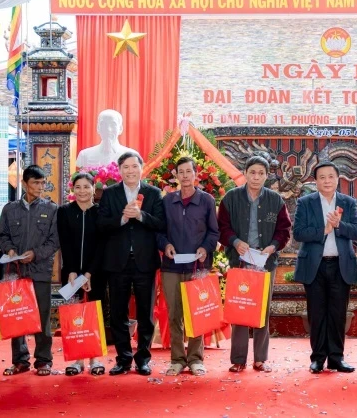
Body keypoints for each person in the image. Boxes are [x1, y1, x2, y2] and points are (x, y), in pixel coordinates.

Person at [218, 156, 292, 373]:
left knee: (262, 310)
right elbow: (222, 226)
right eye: (253, 172)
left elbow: (284, 230)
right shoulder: (231, 198)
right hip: (239, 261)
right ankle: (238, 359)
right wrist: (235, 241)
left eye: (261, 173)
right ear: (246, 173)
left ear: (266, 175)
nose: (256, 177)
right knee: (239, 309)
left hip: (265, 263)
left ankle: (260, 359)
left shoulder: (275, 200)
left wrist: (272, 246)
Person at [97, 151, 166, 376]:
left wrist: (141, 216)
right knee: (118, 313)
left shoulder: (154, 193)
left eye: (134, 166)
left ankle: (143, 359)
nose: (130, 171)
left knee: (146, 314)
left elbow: (161, 224)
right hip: (117, 263)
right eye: (125, 167)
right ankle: (123, 359)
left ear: (141, 168)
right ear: (119, 170)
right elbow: (101, 225)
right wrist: (122, 219)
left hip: (144, 262)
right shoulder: (109, 194)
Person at [293, 161, 357, 374]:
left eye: (330, 176)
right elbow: (298, 233)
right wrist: (323, 230)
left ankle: (336, 358)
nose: (326, 181)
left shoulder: (348, 203)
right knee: (317, 313)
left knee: (338, 313)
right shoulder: (305, 203)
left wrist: (339, 226)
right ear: (315, 181)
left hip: (340, 265)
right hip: (315, 265)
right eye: (322, 177)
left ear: (337, 178)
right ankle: (317, 358)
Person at [0, 165, 60, 376]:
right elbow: (1, 236)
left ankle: (43, 360)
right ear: (24, 183)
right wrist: (10, 249)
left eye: (43, 183)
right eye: (35, 183)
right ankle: (20, 360)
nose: (40, 187)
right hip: (15, 271)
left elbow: (54, 241)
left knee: (42, 317)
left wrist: (36, 253)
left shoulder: (51, 209)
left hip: (40, 269)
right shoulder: (10, 209)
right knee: (17, 315)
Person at [157, 157, 219, 377]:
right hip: (172, 266)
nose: (184, 176)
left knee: (196, 313)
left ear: (196, 174)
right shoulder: (167, 201)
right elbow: (159, 231)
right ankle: (177, 359)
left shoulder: (207, 201)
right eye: (180, 172)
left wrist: (204, 248)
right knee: (175, 314)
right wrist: (166, 245)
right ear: (175, 176)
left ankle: (195, 359)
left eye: (188, 171)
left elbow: (214, 232)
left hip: (197, 267)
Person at [57, 173, 106, 376]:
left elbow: (103, 245)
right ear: (72, 189)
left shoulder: (101, 212)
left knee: (94, 315)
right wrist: (72, 271)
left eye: (87, 187)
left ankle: (95, 359)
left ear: (94, 189)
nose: (82, 191)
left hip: (96, 272)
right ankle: (77, 360)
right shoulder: (64, 212)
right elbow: (65, 244)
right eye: (78, 187)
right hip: (71, 274)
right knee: (74, 316)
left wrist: (89, 273)